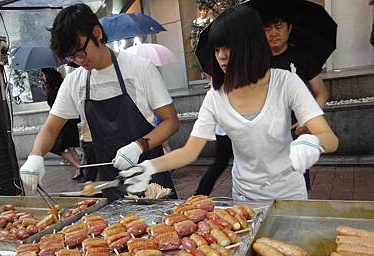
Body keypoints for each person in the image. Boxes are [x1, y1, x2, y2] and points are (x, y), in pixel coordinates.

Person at [121, 5, 338, 202]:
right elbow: (189, 151)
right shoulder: (216, 97)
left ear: (252, 46)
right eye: (217, 49)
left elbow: (329, 139)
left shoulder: (285, 82)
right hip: (245, 195)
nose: (221, 57)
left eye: (229, 48)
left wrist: (311, 142)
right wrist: (149, 167)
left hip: (288, 192)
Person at [19, 4, 180, 201]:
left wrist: (138, 146)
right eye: (71, 57)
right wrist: (35, 156)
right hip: (112, 185)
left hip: (152, 179)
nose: (78, 61)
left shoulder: (140, 68)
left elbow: (170, 121)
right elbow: (51, 129)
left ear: (96, 33)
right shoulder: (74, 82)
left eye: (80, 52)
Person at [263, 8, 329, 191]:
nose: (273, 33)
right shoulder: (257, 62)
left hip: (297, 131)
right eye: (267, 28)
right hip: (267, 134)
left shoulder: (302, 57)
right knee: (269, 185)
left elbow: (321, 93)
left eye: (278, 27)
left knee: (298, 182)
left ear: (289, 28)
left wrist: (308, 121)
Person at [40, 68, 82, 180]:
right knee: (70, 148)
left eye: (43, 75)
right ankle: (79, 168)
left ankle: (78, 166)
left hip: (63, 125)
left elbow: (54, 108)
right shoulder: (59, 88)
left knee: (57, 148)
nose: (42, 78)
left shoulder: (55, 91)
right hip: (69, 123)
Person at [194, 127, 233, 196]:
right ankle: (201, 193)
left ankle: (201, 193)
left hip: (222, 132)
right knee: (221, 163)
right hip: (233, 132)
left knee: (220, 163)